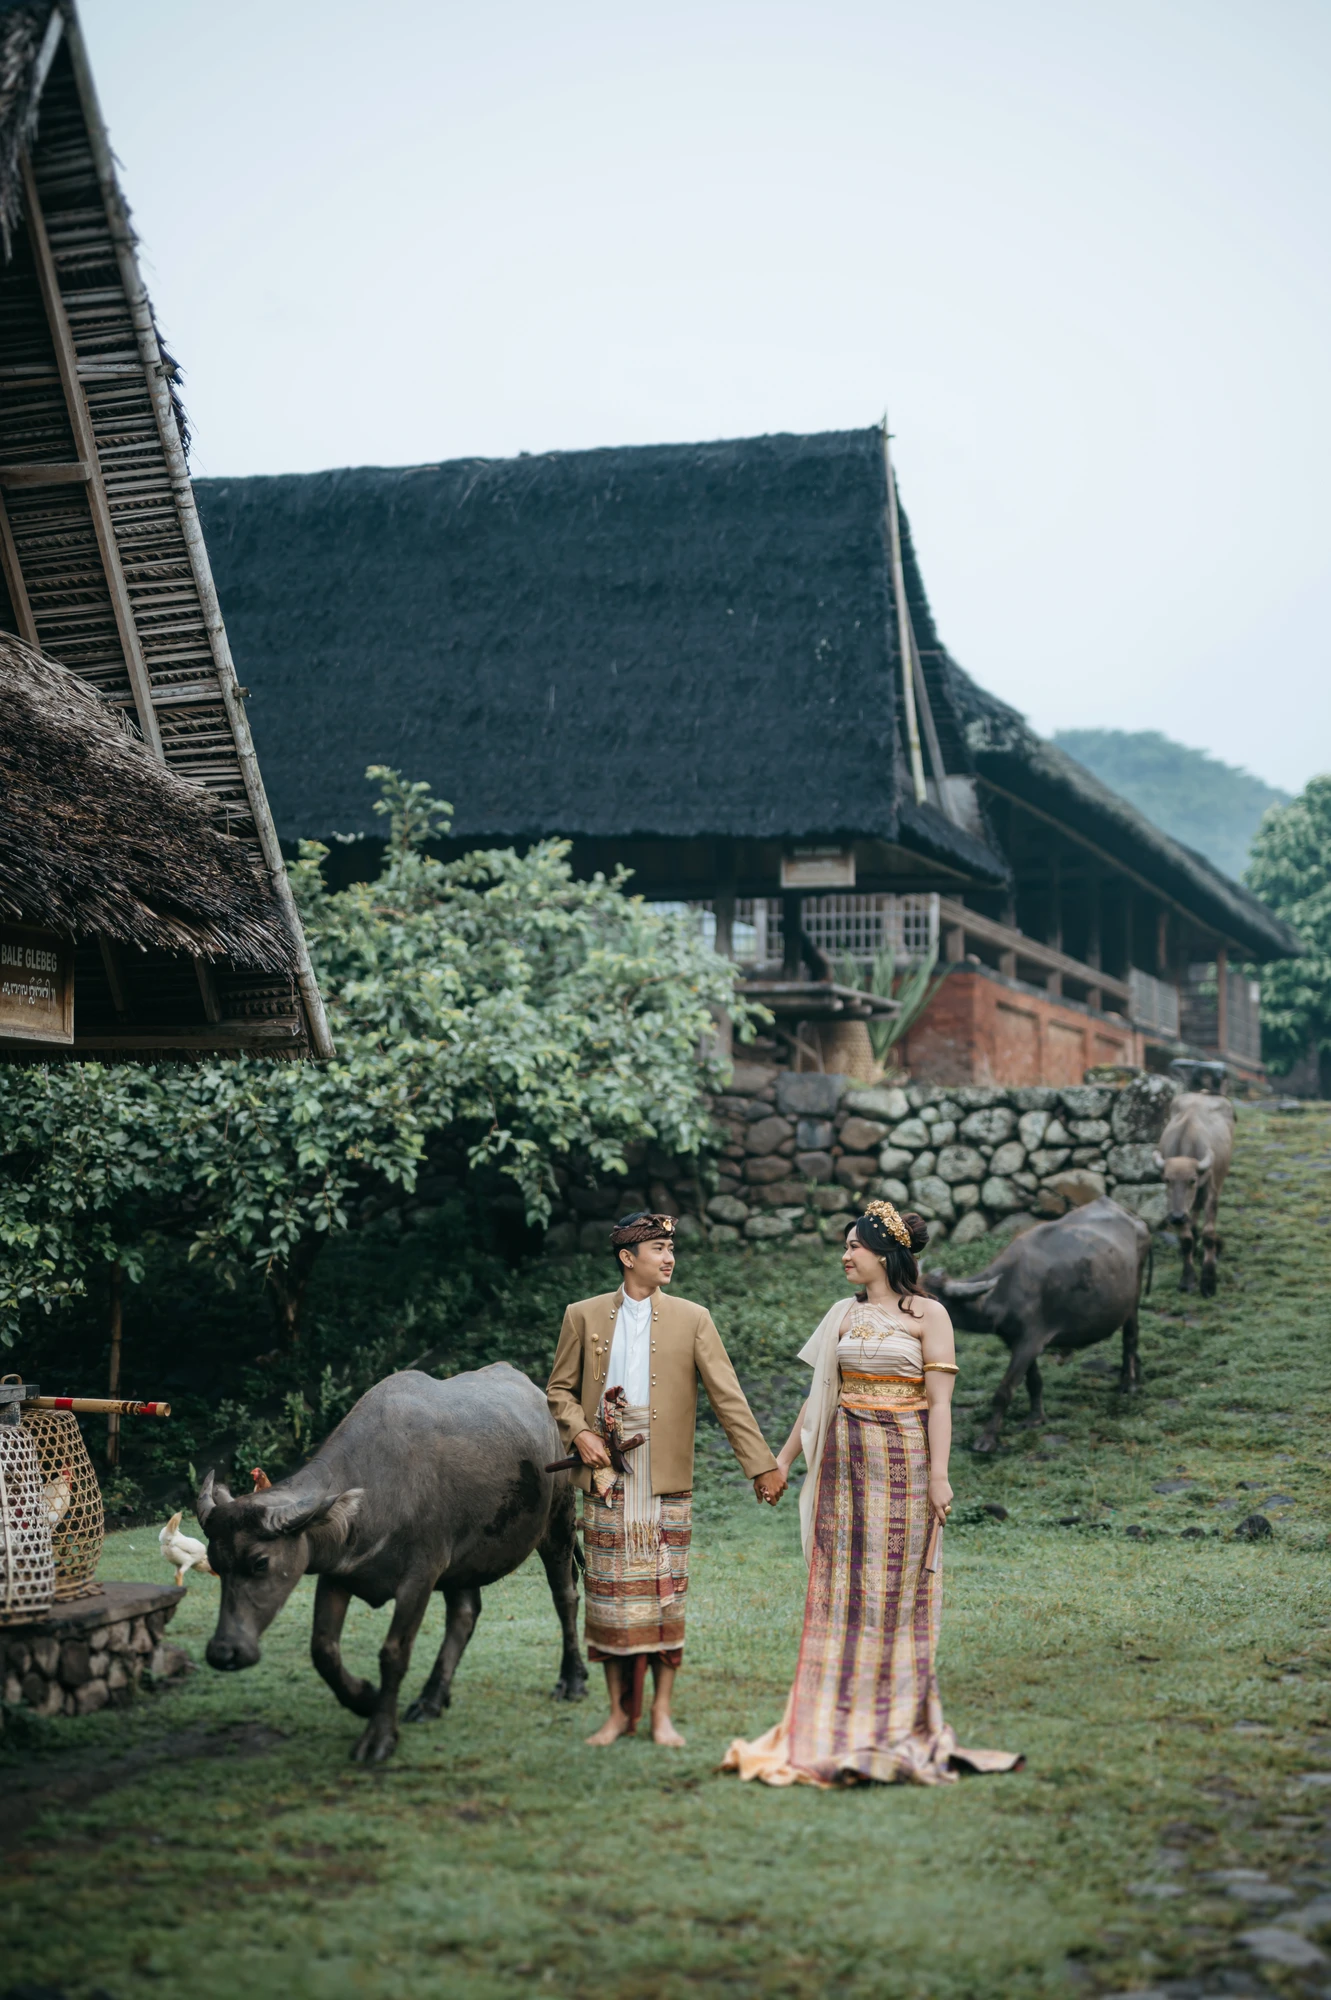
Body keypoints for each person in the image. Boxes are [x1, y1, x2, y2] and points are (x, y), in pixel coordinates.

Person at [723, 1199, 1021, 1787]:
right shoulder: (841, 1313)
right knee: (843, 1587)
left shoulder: (929, 1314)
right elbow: (819, 1397)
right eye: (846, 1247)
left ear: (884, 1254)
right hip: (842, 1467)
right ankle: (835, 1715)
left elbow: (940, 1403)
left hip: (905, 1463)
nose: (845, 1255)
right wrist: (781, 1461)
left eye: (854, 1246)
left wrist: (940, 1475)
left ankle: (895, 1717)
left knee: (898, 1588)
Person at [547, 1211, 786, 1748]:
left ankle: (660, 1713)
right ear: (627, 1257)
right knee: (608, 1595)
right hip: (606, 1476)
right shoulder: (582, 1316)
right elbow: (559, 1390)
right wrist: (579, 1432)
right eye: (658, 1248)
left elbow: (728, 1397)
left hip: (666, 1478)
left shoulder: (693, 1318)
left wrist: (762, 1465)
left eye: (670, 1248)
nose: (669, 1258)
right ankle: (616, 1714)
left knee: (665, 1595)